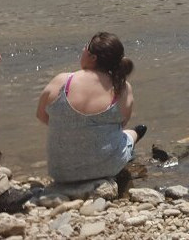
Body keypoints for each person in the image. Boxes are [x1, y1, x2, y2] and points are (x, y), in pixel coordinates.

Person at [36, 32, 147, 183]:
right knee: (128, 134)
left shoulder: (62, 81)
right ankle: (137, 133)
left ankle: (135, 133)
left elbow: (41, 115)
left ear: (93, 57)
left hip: (61, 172)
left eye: (85, 47)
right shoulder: (122, 87)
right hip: (107, 168)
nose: (82, 49)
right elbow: (121, 124)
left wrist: (73, 127)